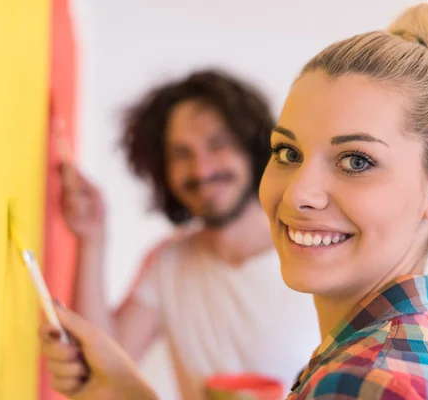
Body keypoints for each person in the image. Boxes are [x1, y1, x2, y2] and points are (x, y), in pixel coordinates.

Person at [40, 3, 428, 399]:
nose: (299, 193)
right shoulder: (365, 356)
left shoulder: (371, 381)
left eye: (357, 161)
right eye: (288, 153)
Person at [57, 70, 320, 399]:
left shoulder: (314, 251)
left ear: (252, 149)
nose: (201, 169)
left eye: (217, 145)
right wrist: (92, 239)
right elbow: (100, 363)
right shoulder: (170, 261)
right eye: (182, 154)